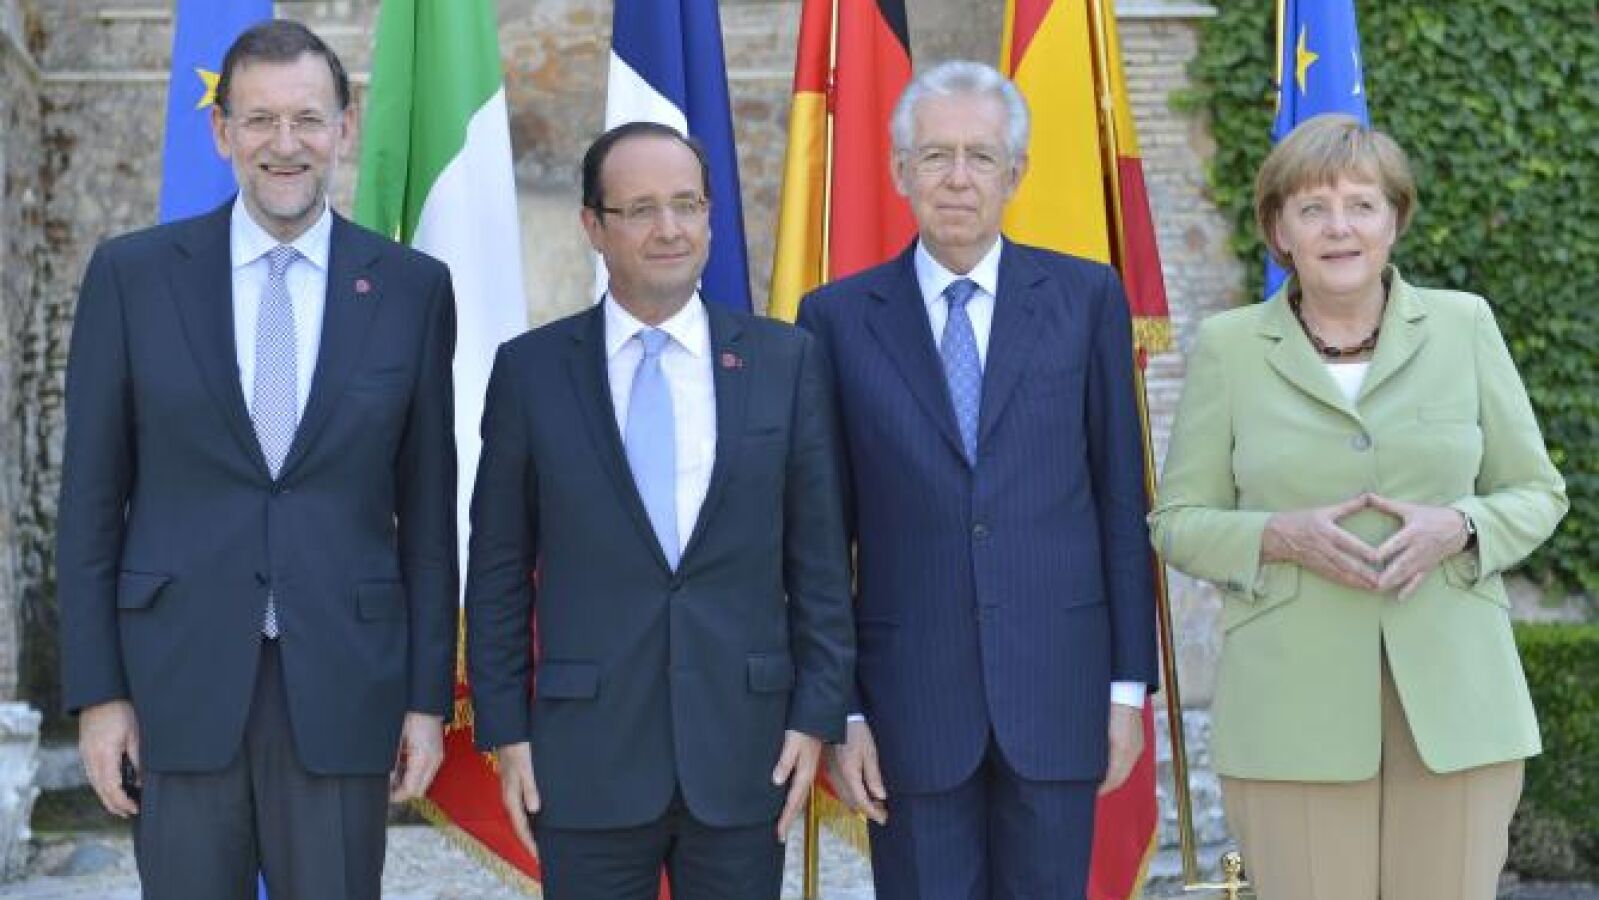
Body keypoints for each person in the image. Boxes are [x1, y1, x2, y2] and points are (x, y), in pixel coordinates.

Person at [55, 19, 458, 900]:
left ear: (345, 128)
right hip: (175, 684)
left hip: (344, 684)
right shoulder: (132, 277)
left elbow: (429, 514)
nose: (286, 144)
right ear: (221, 131)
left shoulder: (411, 290)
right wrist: (99, 694)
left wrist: (427, 701)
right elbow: (88, 503)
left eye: (308, 119)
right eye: (260, 120)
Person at [1149, 113, 1567, 900]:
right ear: (1279, 230)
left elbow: (1538, 492)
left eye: (1360, 204)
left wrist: (1460, 526)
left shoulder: (1464, 325)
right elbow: (1176, 523)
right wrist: (1278, 536)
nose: (1338, 227)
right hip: (1289, 713)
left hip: (1457, 707)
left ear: (1393, 220)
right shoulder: (1229, 348)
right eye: (1312, 208)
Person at [796, 61, 1158, 898]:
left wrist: (1125, 691)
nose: (957, 177)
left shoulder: (1085, 298)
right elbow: (819, 538)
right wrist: (843, 709)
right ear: (899, 171)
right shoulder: (834, 320)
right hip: (908, 706)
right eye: (935, 155)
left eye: (980, 156)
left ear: (1014, 173)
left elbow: (1118, 502)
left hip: (1057, 693)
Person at [465, 121, 853, 900]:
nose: (669, 228)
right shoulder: (531, 372)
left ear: (710, 217)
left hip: (746, 753)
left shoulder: (784, 362)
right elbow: (499, 568)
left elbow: (819, 561)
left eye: (686, 204)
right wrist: (505, 731)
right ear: (593, 226)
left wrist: (815, 715)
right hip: (583, 756)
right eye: (640, 209)